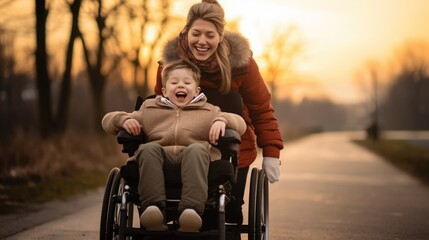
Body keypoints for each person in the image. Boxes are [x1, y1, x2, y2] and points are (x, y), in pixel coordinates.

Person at [154, 0, 284, 229]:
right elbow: (159, 106)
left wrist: (271, 152)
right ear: (186, 32)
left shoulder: (242, 65)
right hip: (179, 145)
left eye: (210, 35)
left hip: (230, 149)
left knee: (225, 216)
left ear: (220, 37)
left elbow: (261, 109)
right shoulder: (170, 63)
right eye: (196, 33)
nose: (202, 41)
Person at [102, 58, 246, 232]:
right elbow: (107, 121)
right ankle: (153, 211)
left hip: (196, 161)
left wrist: (222, 121)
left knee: (197, 149)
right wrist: (123, 120)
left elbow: (241, 123)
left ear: (196, 90)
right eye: (174, 82)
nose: (181, 86)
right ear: (163, 90)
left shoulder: (209, 111)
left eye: (187, 82)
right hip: (159, 160)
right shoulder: (149, 108)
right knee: (148, 149)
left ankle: (190, 213)